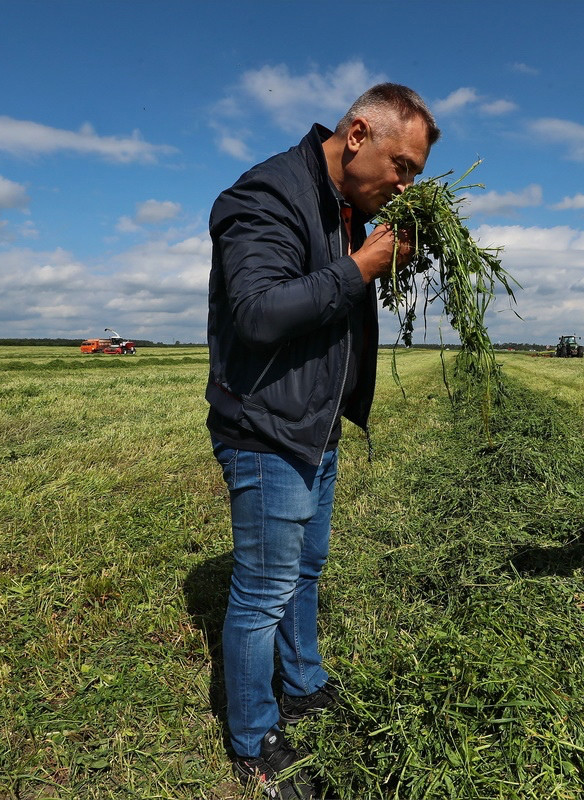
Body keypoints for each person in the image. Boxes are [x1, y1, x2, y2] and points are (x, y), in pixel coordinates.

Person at [206, 83, 439, 798]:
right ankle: (254, 741)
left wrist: (393, 262)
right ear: (359, 133)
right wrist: (363, 266)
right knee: (264, 590)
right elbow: (259, 313)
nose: (404, 185)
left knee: (306, 568)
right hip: (266, 426)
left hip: (315, 423)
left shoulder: (345, 208)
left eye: (416, 177)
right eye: (401, 166)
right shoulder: (267, 194)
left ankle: (303, 685)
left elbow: (329, 298)